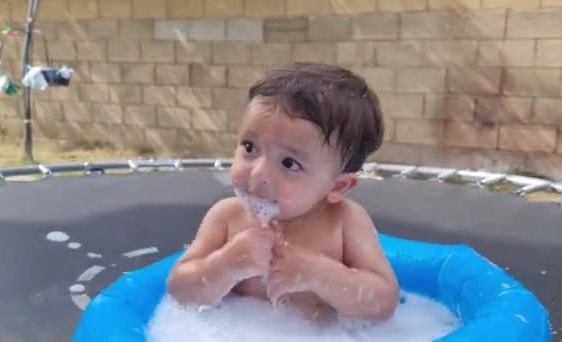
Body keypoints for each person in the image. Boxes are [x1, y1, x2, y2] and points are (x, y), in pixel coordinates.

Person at [167, 62, 399, 322]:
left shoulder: (345, 222)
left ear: (337, 187)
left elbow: (383, 304)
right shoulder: (226, 217)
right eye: (250, 147)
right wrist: (225, 265)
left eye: (290, 163)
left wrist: (319, 274)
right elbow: (179, 291)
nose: (257, 174)